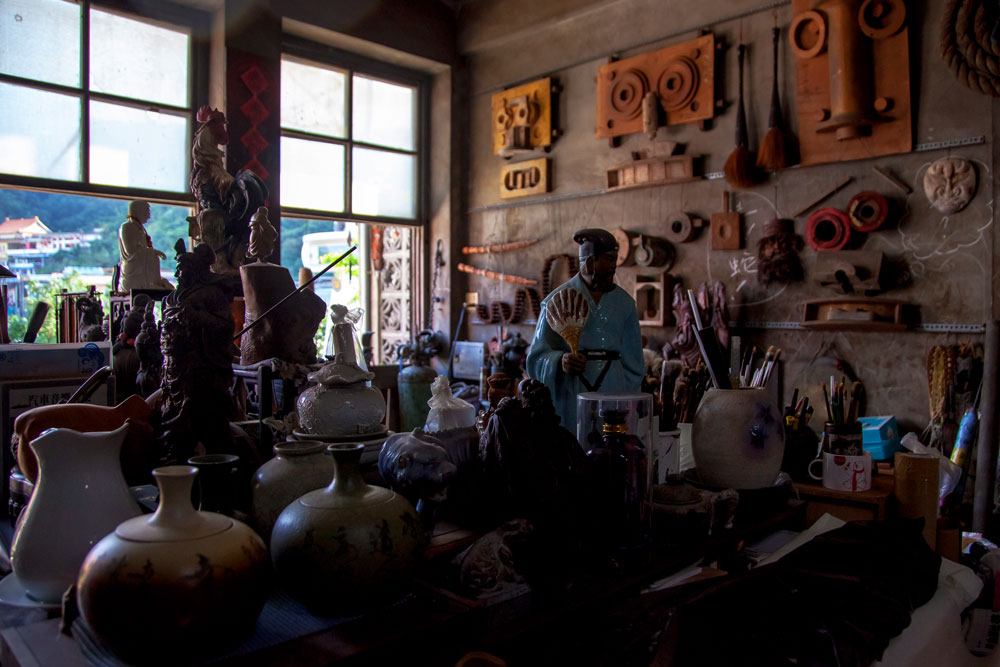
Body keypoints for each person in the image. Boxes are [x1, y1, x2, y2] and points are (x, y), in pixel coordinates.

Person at [526, 228, 644, 429]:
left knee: (611, 450)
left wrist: (627, 397)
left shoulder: (625, 304)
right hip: (571, 393)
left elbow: (634, 363)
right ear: (589, 262)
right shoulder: (556, 302)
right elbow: (536, 358)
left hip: (614, 393)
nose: (613, 267)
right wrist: (560, 361)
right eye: (608, 260)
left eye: (614, 260)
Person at [118, 200, 173, 291]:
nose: (149, 215)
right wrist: (153, 251)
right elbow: (130, 250)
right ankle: (150, 283)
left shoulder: (140, 228)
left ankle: (153, 282)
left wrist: (151, 252)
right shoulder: (127, 227)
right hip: (134, 273)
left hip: (141, 272)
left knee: (152, 257)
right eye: (147, 211)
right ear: (138, 211)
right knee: (152, 255)